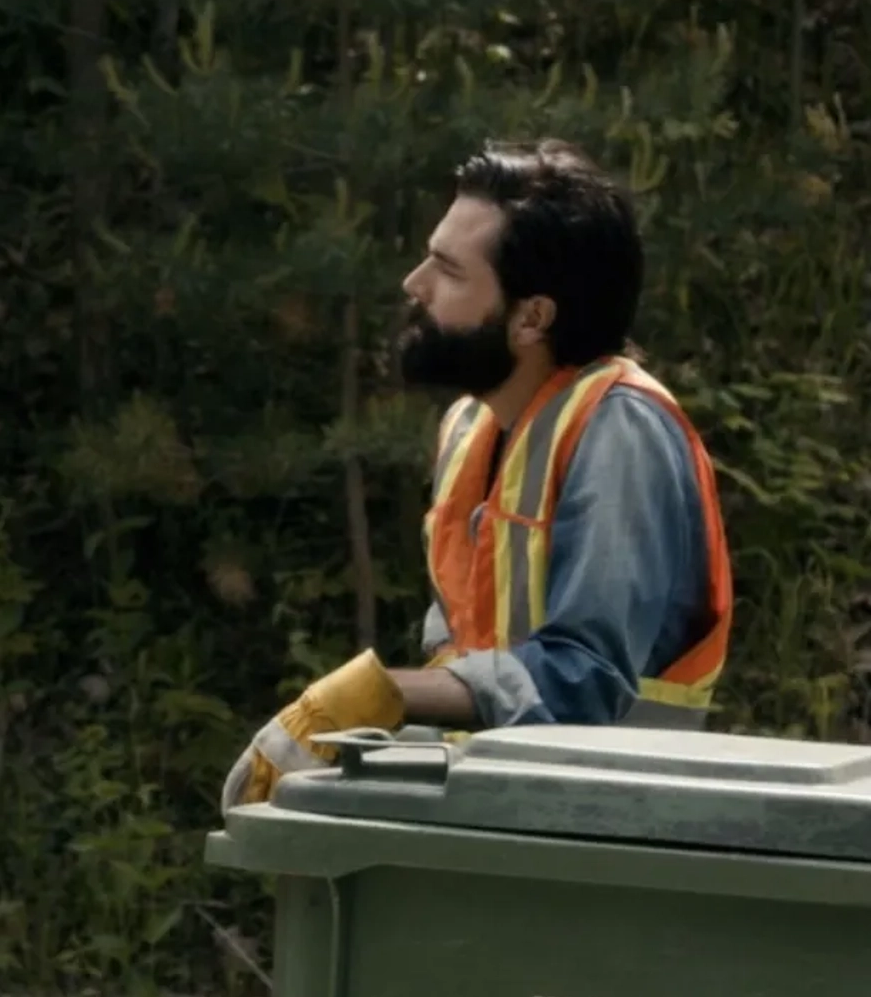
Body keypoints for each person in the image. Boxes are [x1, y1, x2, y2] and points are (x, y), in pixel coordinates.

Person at [223, 138, 734, 808]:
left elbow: (588, 677)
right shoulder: (471, 429)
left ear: (532, 316)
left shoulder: (621, 432)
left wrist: (384, 695)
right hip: (506, 821)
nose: (414, 283)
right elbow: (463, 666)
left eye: (448, 270)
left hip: (625, 830)